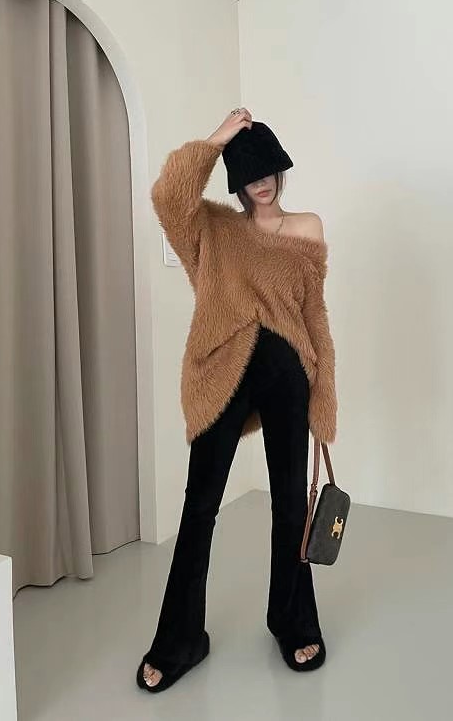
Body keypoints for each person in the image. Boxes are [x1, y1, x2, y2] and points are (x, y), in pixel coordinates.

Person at [136, 107, 338, 693]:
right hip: (223, 373)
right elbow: (168, 195)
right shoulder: (214, 230)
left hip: (288, 376)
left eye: (267, 168)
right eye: (247, 172)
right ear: (235, 179)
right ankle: (180, 640)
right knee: (200, 507)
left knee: (290, 505)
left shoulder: (308, 227)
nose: (261, 181)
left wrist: (324, 394)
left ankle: (292, 621)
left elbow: (314, 315)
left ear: (280, 169)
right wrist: (220, 137)